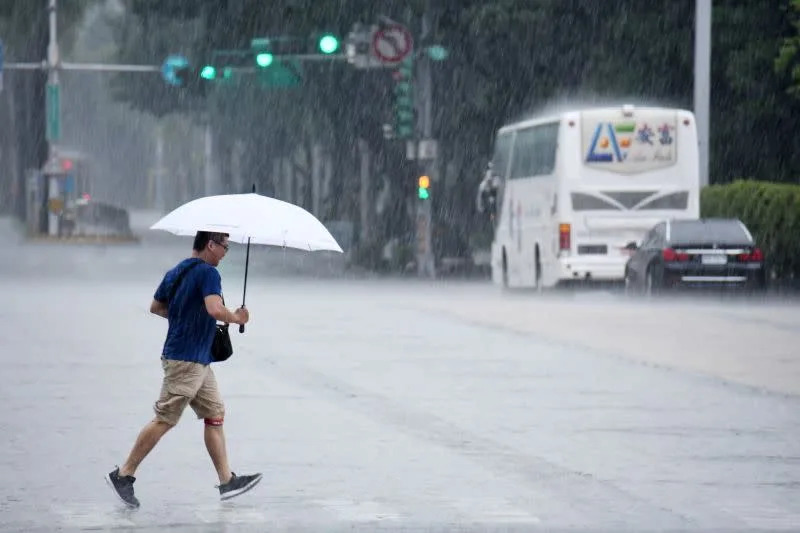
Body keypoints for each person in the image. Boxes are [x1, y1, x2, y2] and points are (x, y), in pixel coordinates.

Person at [106, 231, 261, 508]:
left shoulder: (176, 271)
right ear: (210, 245)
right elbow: (214, 309)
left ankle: (227, 482)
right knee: (165, 418)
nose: (226, 252)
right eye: (224, 246)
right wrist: (237, 316)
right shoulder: (209, 273)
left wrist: (186, 316)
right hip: (186, 360)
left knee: (215, 414)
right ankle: (123, 474)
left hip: (195, 358)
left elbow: (157, 307)